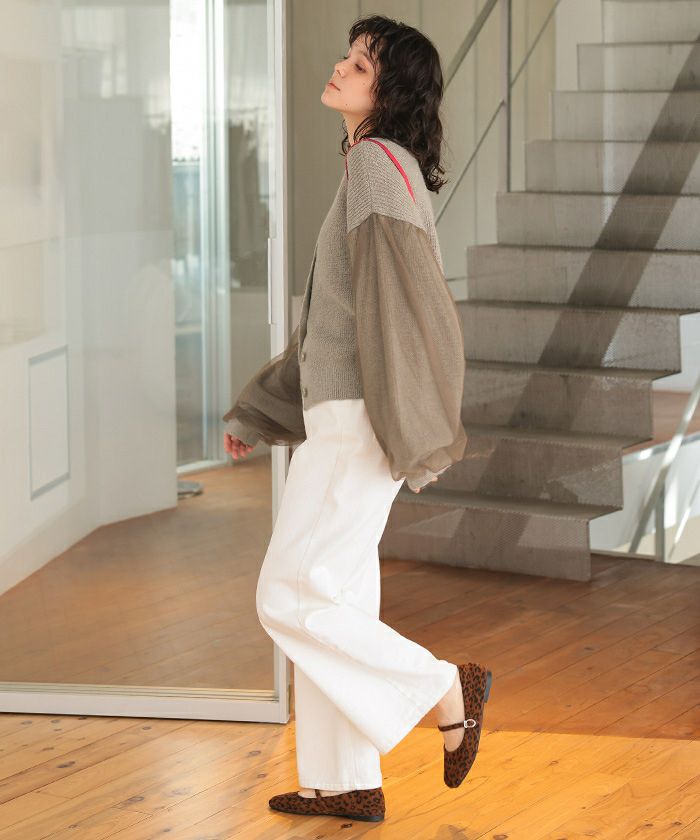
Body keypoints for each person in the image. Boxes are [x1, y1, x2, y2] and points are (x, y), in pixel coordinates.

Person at [222, 13, 492, 823]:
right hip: (349, 414)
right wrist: (261, 409)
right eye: (347, 57)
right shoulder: (373, 166)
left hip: (354, 423)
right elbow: (332, 328)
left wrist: (414, 425)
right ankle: (343, 779)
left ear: (390, 91)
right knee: (334, 599)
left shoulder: (375, 165)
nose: (341, 68)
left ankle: (445, 689)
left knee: (288, 594)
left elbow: (409, 308)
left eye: (361, 64)